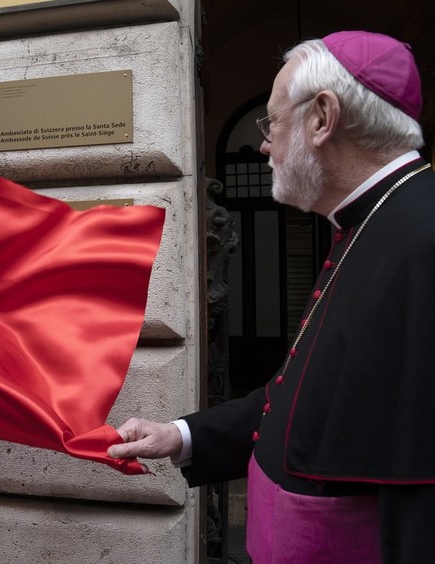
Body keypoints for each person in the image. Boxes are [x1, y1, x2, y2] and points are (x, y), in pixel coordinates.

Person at [108, 31, 435, 563]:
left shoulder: (421, 236)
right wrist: (180, 434)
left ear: (322, 118)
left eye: (273, 120)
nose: (264, 143)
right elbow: (297, 399)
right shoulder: (362, 226)